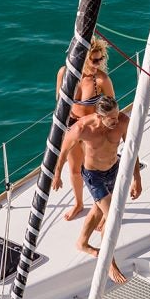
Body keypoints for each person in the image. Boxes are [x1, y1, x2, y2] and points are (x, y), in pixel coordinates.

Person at [53, 96, 142, 284]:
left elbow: (131, 150)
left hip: (113, 169)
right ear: (100, 116)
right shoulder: (82, 128)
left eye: (117, 115)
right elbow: (64, 151)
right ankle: (109, 261)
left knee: (97, 210)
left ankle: (82, 243)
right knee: (111, 218)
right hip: (94, 176)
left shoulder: (123, 122)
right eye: (111, 118)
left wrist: (137, 178)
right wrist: (57, 174)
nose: (116, 120)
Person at [54, 37, 116, 220]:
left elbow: (112, 107)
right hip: (72, 128)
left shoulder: (102, 80)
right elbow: (59, 101)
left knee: (97, 170)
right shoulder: (64, 73)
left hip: (92, 129)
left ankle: (102, 208)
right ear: (83, 58)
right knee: (74, 169)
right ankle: (79, 203)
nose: (99, 63)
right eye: (95, 60)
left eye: (101, 59)